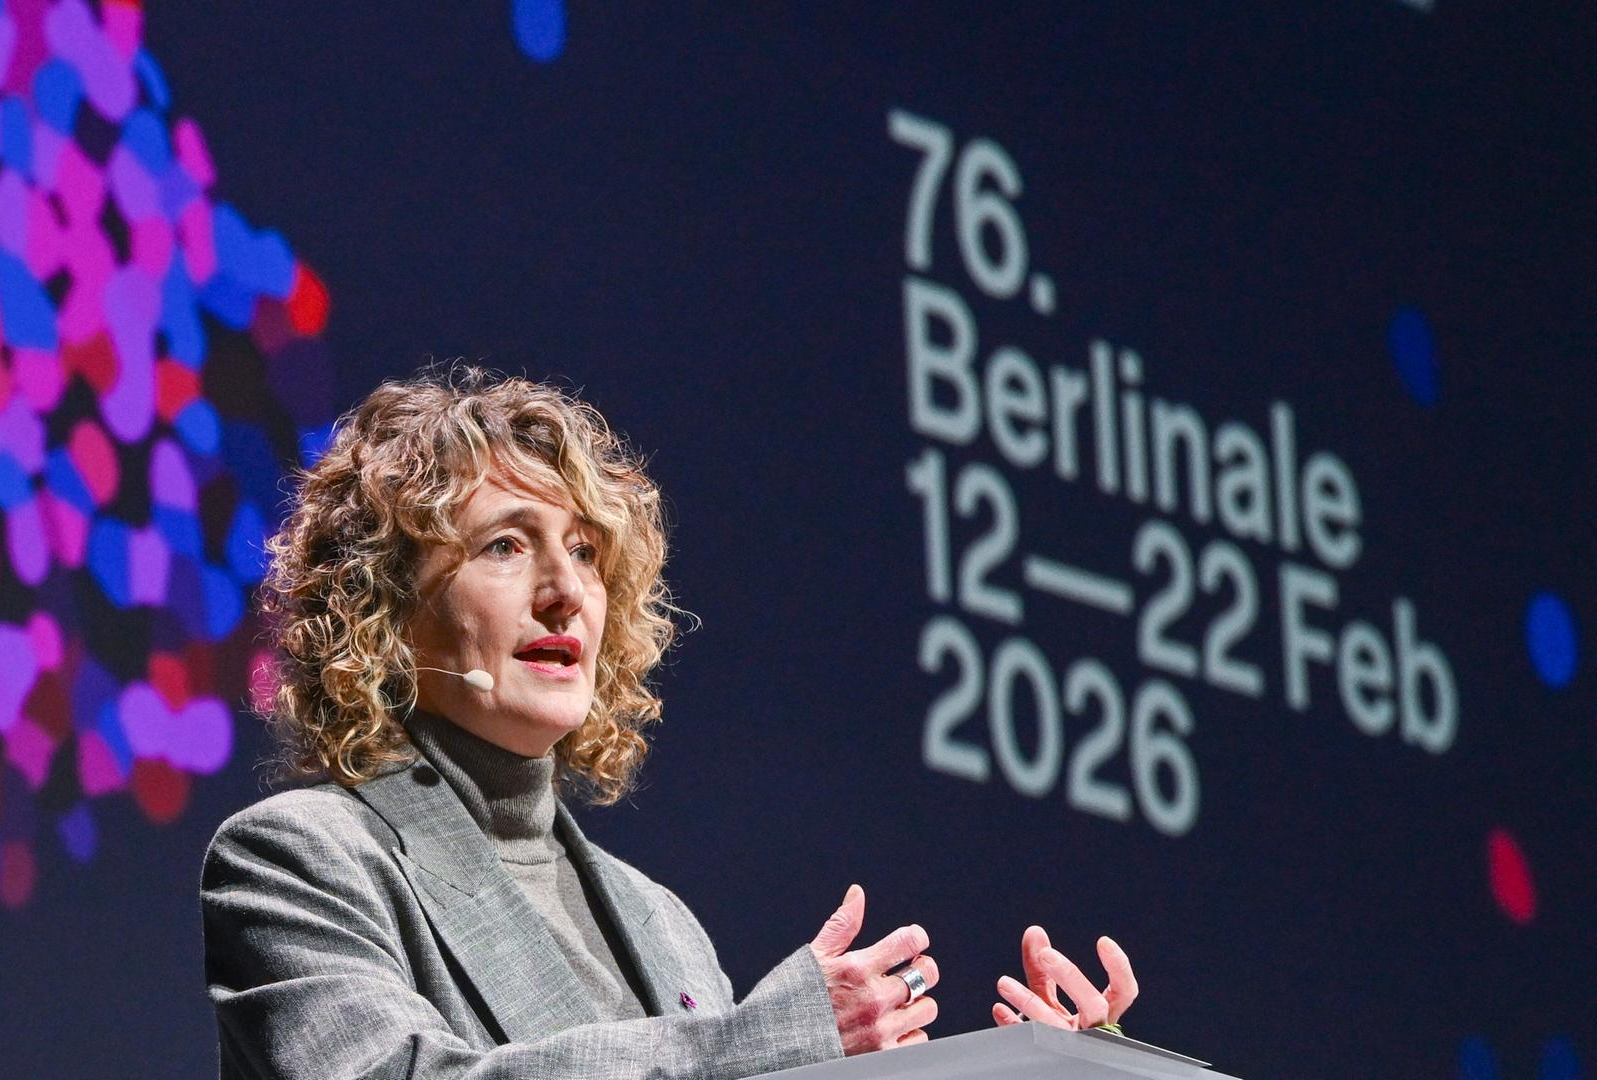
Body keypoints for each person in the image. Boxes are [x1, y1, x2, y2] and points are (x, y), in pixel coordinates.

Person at [200, 368, 1137, 1079]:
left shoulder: (662, 925)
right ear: (384, 608)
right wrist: (761, 1043)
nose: (567, 591)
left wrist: (1052, 1070)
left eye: (585, 552)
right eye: (505, 545)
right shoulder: (300, 858)